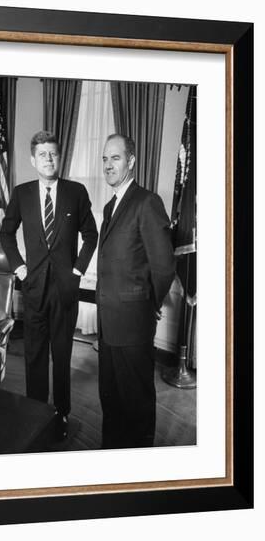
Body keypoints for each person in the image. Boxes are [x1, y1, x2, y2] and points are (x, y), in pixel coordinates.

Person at [0, 130, 98, 441]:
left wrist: (77, 271)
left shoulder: (76, 192)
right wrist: (19, 268)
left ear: (60, 157)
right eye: (43, 154)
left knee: (62, 355)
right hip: (34, 289)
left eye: (53, 153)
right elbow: (6, 233)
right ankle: (36, 413)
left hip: (65, 292)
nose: (49, 159)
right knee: (34, 356)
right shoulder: (21, 193)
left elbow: (91, 235)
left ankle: (62, 415)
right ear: (33, 160)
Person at [96, 133, 175, 449]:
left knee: (137, 403)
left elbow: (164, 266)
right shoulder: (108, 207)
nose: (108, 165)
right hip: (107, 324)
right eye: (104, 159)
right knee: (111, 398)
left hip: (133, 324)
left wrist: (148, 304)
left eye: (115, 158)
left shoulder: (147, 202)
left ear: (131, 161)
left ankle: (141, 469)